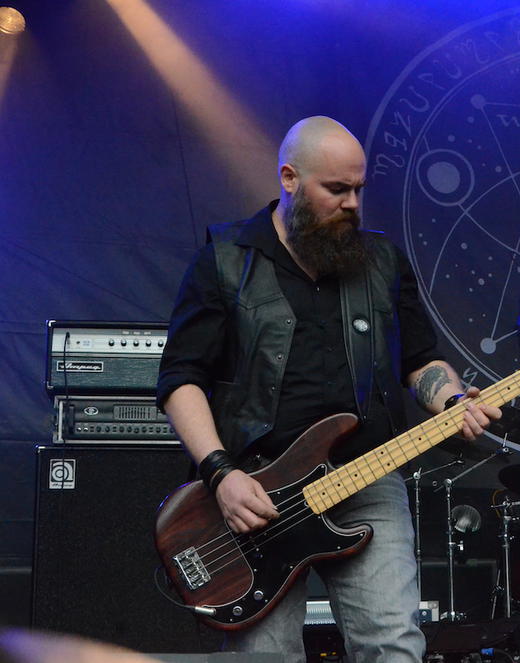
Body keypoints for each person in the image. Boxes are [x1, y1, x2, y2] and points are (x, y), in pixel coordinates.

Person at [157, 116, 501, 663]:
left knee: (393, 644)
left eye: (359, 189)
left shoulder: (381, 261)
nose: (352, 204)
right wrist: (221, 474)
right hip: (256, 487)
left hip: (365, 474)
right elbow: (181, 379)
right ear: (289, 178)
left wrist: (452, 401)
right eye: (337, 189)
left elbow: (420, 361)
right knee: (265, 657)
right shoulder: (224, 259)